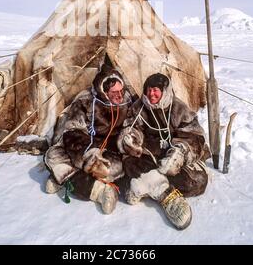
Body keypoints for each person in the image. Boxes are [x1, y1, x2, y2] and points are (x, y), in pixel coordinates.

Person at [117, 72, 210, 230]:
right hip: (147, 155)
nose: (151, 94)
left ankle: (145, 183)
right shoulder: (138, 107)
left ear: (165, 91)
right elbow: (131, 128)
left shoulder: (178, 108)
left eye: (156, 90)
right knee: (130, 161)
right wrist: (131, 140)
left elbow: (194, 135)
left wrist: (179, 154)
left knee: (196, 181)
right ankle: (165, 195)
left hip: (171, 156)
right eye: (149, 90)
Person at [44, 66, 133, 214]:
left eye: (121, 91)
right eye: (114, 93)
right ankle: (99, 190)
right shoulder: (85, 102)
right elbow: (72, 131)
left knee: (112, 169)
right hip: (83, 147)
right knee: (52, 156)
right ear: (104, 92)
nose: (119, 95)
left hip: (109, 151)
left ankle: (64, 178)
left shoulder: (128, 102)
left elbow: (131, 128)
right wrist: (89, 154)